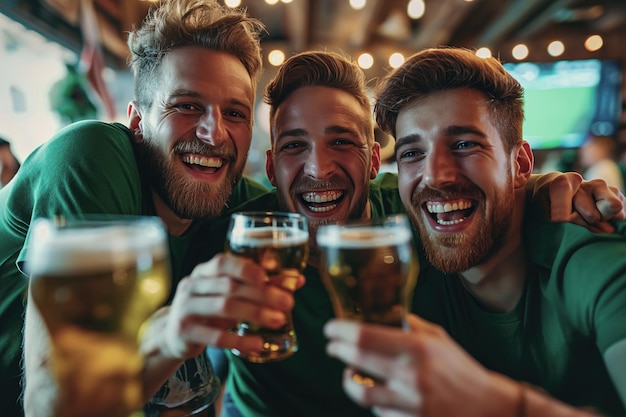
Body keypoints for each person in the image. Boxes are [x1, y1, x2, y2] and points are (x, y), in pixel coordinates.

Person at [170, 50, 624, 417]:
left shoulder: (420, 222)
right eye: (294, 146)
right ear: (271, 167)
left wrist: (545, 189)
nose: (319, 168)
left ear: (372, 163)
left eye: (342, 142)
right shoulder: (230, 235)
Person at [0, 1, 273, 416]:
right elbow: (50, 406)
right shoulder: (90, 155)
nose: (214, 132)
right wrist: (166, 339)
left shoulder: (241, 208)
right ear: (137, 123)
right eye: (185, 105)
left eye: (234, 113)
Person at [324, 47, 626, 417]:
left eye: (465, 145)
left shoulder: (590, 255)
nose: (435, 175)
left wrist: (495, 404)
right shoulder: (396, 238)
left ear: (520, 164)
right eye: (412, 153)